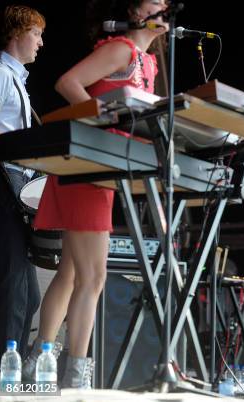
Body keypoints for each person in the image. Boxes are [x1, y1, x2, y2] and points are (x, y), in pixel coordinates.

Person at [21, 0, 167, 388]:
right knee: (93, 277)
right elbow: (67, 83)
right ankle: (76, 374)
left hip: (102, 170)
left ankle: (40, 361)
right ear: (136, 13)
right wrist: (104, 115)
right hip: (87, 166)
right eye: (157, 1)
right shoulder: (122, 49)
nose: (166, 6)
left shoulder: (150, 64)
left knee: (71, 273)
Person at [0, 4, 45, 361]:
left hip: (16, 186)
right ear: (16, 33)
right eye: (36, 34)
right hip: (2, 184)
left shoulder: (16, 80)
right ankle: (6, 376)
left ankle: (12, 364)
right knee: (14, 288)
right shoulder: (0, 75)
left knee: (29, 295)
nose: (40, 43)